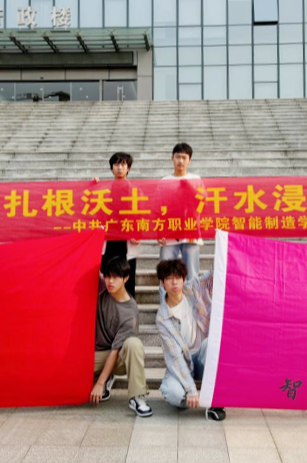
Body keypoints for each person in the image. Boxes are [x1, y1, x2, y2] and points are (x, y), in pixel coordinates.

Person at [156, 258, 226, 421]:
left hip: (202, 357)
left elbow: (214, 274)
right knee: (172, 393)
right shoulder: (162, 317)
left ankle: (215, 402)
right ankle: (194, 399)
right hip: (183, 362)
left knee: (211, 343)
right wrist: (191, 390)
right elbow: (175, 357)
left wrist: (222, 248)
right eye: (169, 278)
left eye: (178, 277)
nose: (174, 282)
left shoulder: (194, 289)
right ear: (162, 283)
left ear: (183, 279)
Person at [92, 257, 151, 417]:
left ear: (126, 278)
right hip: (97, 354)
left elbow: (115, 351)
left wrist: (99, 383)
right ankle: (105, 376)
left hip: (119, 358)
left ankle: (137, 396)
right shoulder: (101, 293)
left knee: (134, 344)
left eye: (115, 277)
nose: (110, 281)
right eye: (107, 276)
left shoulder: (130, 311)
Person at [157, 143, 203, 300]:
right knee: (166, 273)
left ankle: (193, 308)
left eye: (184, 157)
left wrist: (190, 190)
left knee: (192, 273)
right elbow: (158, 207)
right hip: (169, 233)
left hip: (190, 232)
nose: (181, 161)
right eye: (178, 157)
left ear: (190, 160)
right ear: (172, 158)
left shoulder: (196, 180)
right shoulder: (165, 181)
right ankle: (166, 308)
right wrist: (159, 231)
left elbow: (203, 204)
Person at [97, 152, 141, 298]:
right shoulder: (103, 189)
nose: (119, 168)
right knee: (107, 278)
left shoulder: (136, 190)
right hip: (109, 240)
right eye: (116, 164)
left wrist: (138, 233)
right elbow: (95, 211)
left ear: (128, 168)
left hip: (127, 240)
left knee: (127, 280)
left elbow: (142, 214)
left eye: (123, 164)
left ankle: (128, 310)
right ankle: (107, 309)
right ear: (111, 168)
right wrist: (92, 186)